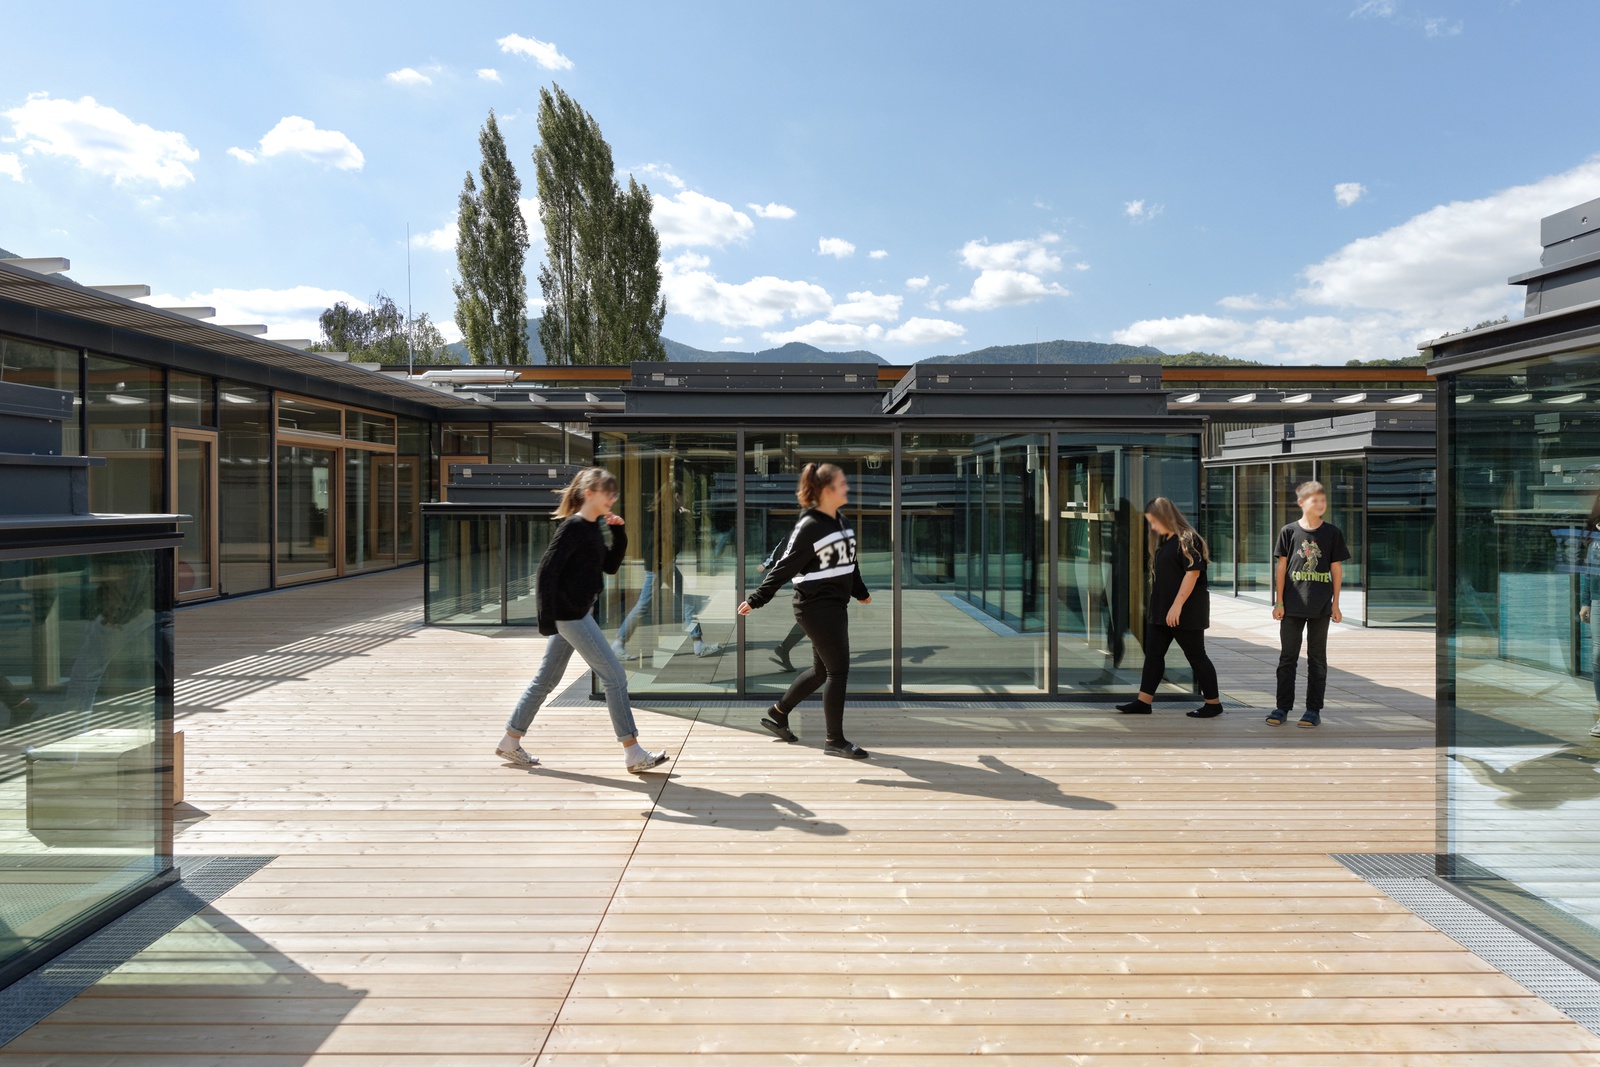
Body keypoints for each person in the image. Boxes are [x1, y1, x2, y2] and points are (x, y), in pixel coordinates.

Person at [495, 467, 670, 774]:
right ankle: (633, 752)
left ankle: (510, 740)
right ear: (590, 493)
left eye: (614, 493)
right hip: (572, 616)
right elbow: (546, 571)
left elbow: (610, 566)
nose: (613, 498)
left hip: (576, 613)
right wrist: (546, 620)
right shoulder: (573, 526)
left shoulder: (592, 526)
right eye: (608, 492)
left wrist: (618, 533)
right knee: (615, 677)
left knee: (545, 680)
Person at [739, 463, 872, 759]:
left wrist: (860, 592)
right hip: (815, 606)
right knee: (838, 671)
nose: (847, 488)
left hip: (835, 604)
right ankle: (834, 740)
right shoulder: (810, 525)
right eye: (842, 483)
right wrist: (757, 598)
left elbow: (850, 562)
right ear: (826, 491)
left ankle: (778, 713)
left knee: (822, 671)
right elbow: (784, 567)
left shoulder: (842, 522)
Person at [1114, 498, 1224, 718]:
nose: (1153, 527)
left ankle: (1213, 704)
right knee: (1153, 655)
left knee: (1196, 656)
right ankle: (1143, 702)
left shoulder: (1188, 539)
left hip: (1184, 612)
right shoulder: (1167, 542)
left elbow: (1192, 574)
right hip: (1162, 612)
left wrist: (1176, 606)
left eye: (1154, 522)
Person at [1268, 479, 1350, 728]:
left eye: (1323, 500)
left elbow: (1336, 569)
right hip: (1291, 605)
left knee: (1317, 659)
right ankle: (1282, 708)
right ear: (1302, 502)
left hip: (1321, 606)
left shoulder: (1332, 533)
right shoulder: (1289, 531)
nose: (1321, 504)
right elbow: (1281, 567)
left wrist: (1336, 603)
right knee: (1287, 658)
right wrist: (1279, 602)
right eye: (1316, 500)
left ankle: (1313, 710)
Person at [612, 483, 721, 662]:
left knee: (687, 599)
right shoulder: (665, 516)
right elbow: (671, 541)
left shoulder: (666, 513)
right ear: (677, 496)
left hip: (665, 565)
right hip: (660, 566)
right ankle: (618, 643)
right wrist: (683, 519)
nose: (686, 499)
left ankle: (698, 643)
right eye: (685, 495)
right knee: (643, 605)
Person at [758, 537, 809, 672]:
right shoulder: (798, 534)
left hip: (816, 583)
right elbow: (780, 552)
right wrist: (767, 565)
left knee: (814, 618)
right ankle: (784, 649)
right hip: (808, 583)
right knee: (813, 618)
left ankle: (784, 649)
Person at [1576, 494, 1600, 738]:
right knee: (1598, 655)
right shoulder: (1595, 535)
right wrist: (1586, 602)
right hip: (1599, 599)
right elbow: (1588, 570)